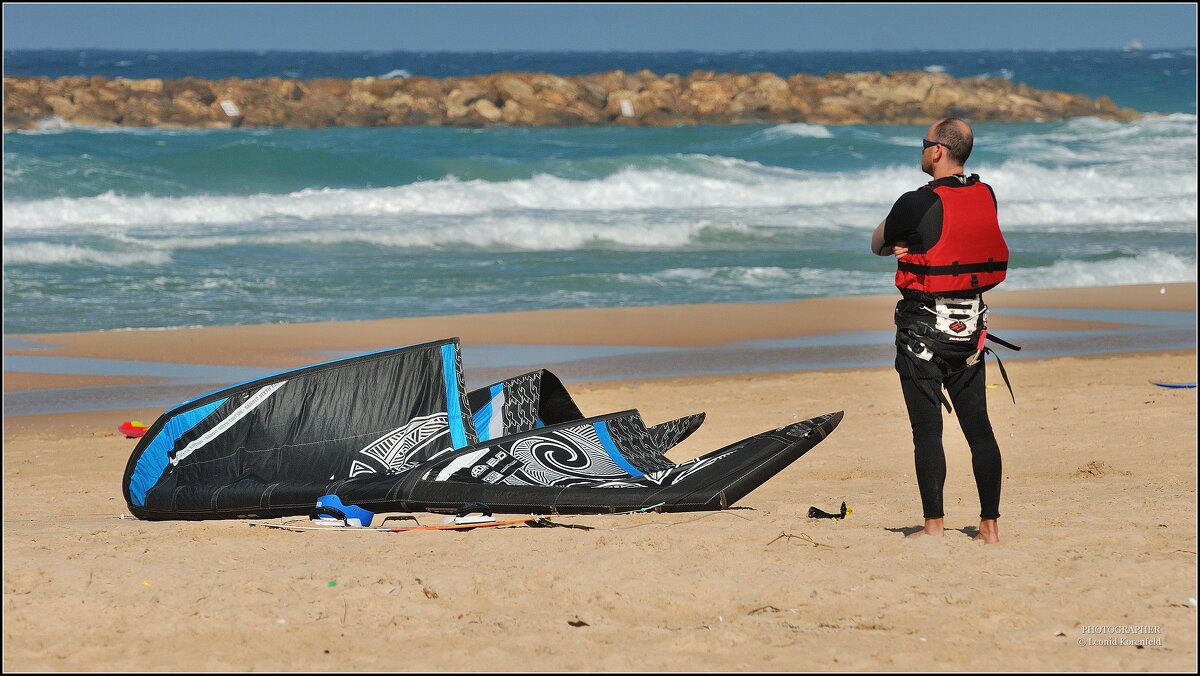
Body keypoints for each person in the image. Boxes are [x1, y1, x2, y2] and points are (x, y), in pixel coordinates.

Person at [870, 118, 1015, 545]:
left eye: (923, 143)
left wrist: (899, 243)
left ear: (936, 151)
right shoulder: (985, 194)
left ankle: (934, 525)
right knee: (980, 429)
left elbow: (877, 241)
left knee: (927, 431)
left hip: (923, 333)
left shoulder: (915, 201)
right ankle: (989, 526)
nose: (921, 150)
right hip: (972, 331)